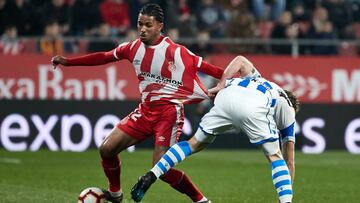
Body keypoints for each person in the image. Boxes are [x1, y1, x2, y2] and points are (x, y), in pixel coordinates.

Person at [51, 3, 224, 203]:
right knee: (106, 149)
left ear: (160, 26)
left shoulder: (177, 52)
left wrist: (234, 82)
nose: (142, 29)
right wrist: (69, 62)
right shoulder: (132, 48)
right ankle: (115, 194)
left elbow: (215, 71)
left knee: (163, 168)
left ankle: (201, 200)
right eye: (140, 24)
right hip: (145, 112)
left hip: (169, 114)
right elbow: (104, 57)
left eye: (148, 25)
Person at [131, 55, 299, 203]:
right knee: (275, 157)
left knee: (193, 144)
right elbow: (289, 161)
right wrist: (284, 195)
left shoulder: (258, 79)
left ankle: (152, 174)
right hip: (253, 108)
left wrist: (221, 84)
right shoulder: (288, 107)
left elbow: (240, 60)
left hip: (227, 95)